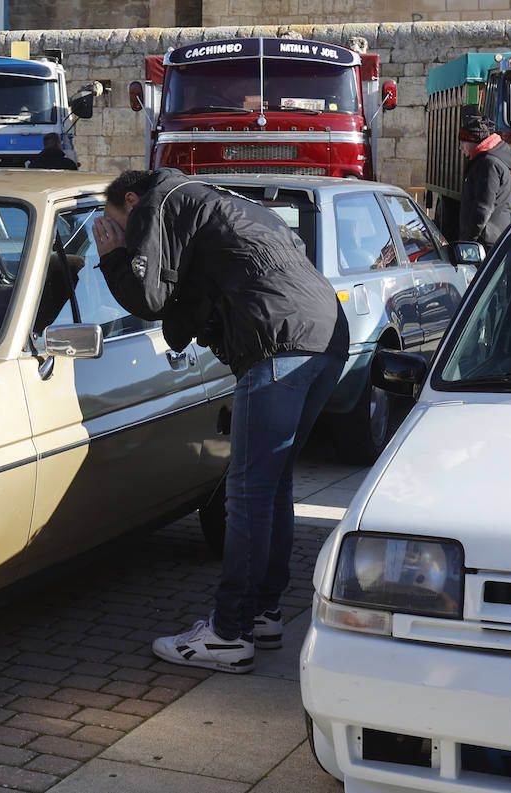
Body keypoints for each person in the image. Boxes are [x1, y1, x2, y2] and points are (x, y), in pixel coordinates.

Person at [91, 169, 348, 674]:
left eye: (117, 223)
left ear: (130, 199)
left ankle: (229, 633)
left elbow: (147, 298)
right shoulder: (212, 201)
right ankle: (263, 614)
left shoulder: (158, 203)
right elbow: (193, 299)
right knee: (271, 488)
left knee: (247, 495)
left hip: (278, 343)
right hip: (325, 338)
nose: (119, 231)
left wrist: (111, 256)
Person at [457, 116, 511, 247]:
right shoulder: (486, 161)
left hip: (485, 242)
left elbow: (483, 207)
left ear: (473, 140)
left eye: (462, 142)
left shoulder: (488, 164)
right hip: (488, 238)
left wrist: (468, 240)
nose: (460, 147)